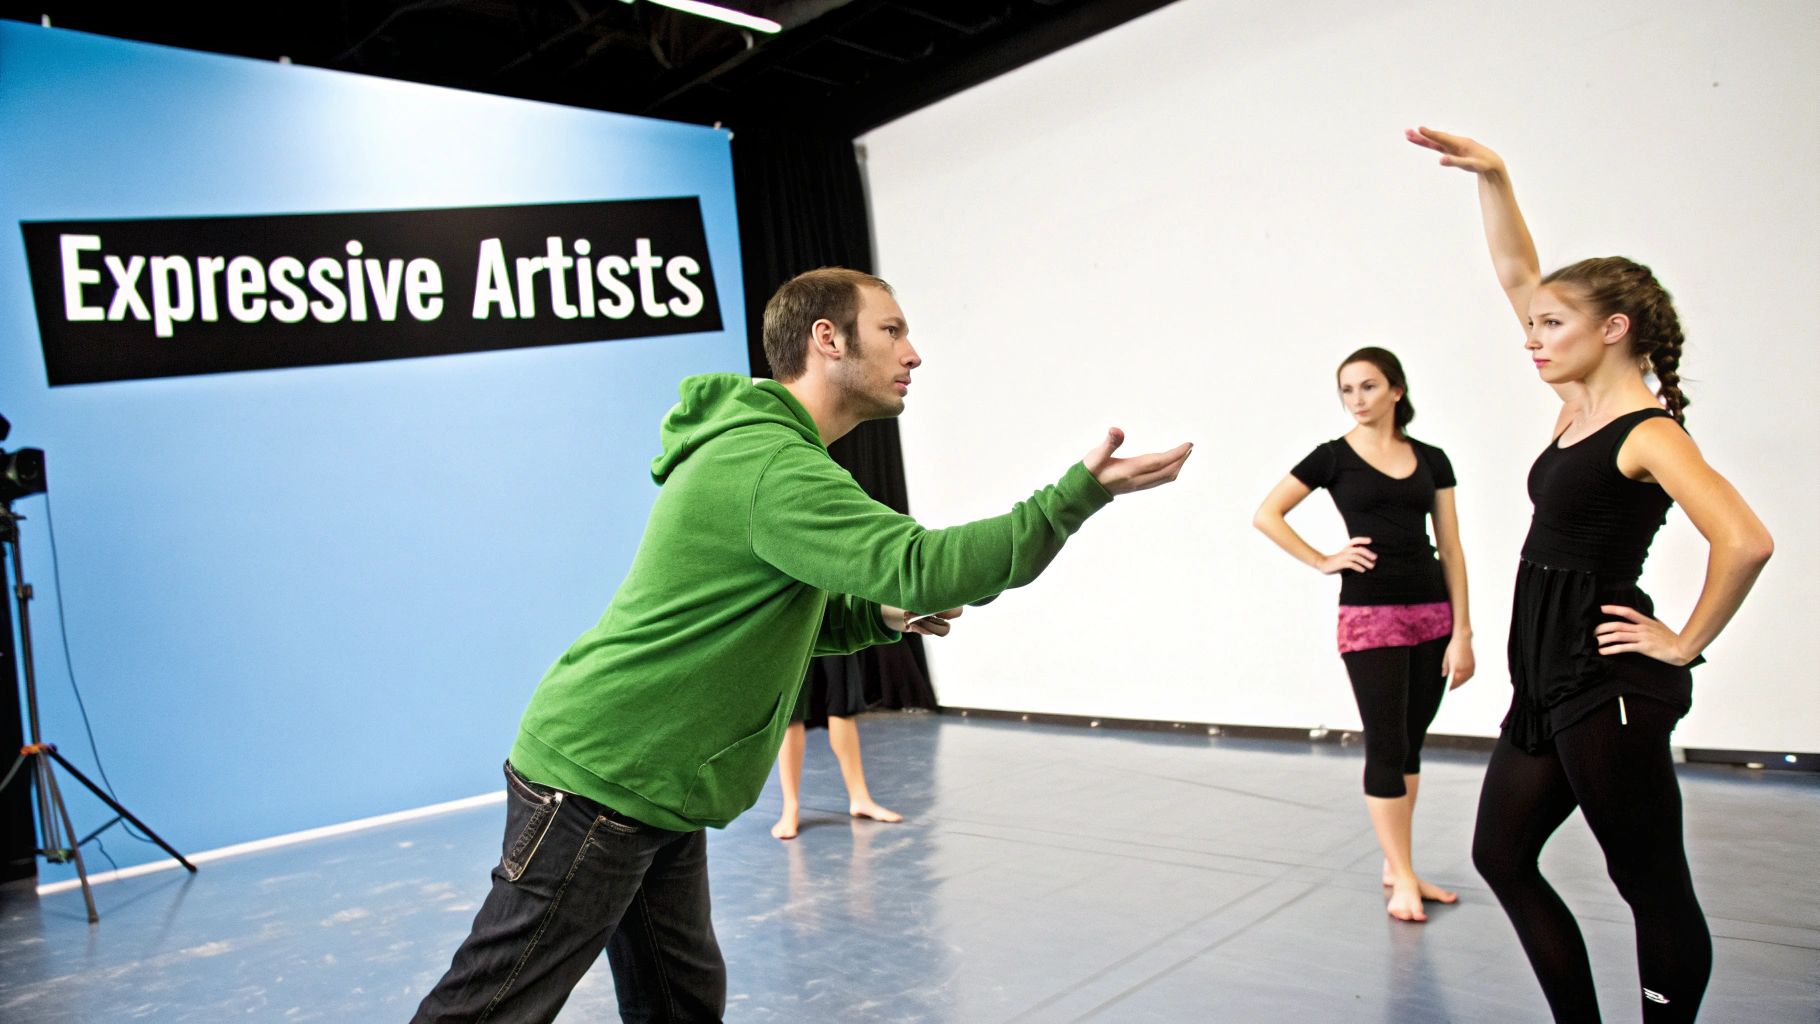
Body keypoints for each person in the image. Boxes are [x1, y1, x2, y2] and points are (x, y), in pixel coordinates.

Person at [410, 267, 1193, 1023]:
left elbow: (777, 619)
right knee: (491, 1007)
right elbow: (928, 565)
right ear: (828, 338)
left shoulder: (768, 453)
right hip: (605, 778)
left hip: (652, 784)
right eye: (892, 331)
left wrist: (880, 617)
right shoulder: (771, 464)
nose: (913, 354)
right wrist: (1076, 496)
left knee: (681, 1005)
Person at [1407, 127, 1773, 1023]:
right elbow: (1518, 275)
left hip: (1606, 682)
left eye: (1552, 326)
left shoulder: (1648, 431)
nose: (1532, 338)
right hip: (1547, 674)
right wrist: (1495, 178)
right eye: (1533, 327)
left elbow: (1745, 540)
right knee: (1502, 854)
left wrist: (1683, 642)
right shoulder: (1578, 403)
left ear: (1614, 330)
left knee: (1650, 884)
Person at [1254, 347, 1475, 922]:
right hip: (1369, 616)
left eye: (1369, 386)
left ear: (1396, 390)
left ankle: (1398, 865)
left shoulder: (1432, 459)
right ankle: (1402, 874)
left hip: (1432, 613)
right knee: (1385, 743)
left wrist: (1463, 632)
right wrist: (1323, 559)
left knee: (1411, 742)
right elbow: (1267, 514)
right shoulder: (1332, 458)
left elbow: (1451, 549)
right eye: (1347, 389)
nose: (1356, 399)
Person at [770, 656, 901, 841]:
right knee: (792, 704)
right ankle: (790, 806)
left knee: (842, 698)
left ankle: (860, 798)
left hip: (829, 634)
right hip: (790, 636)